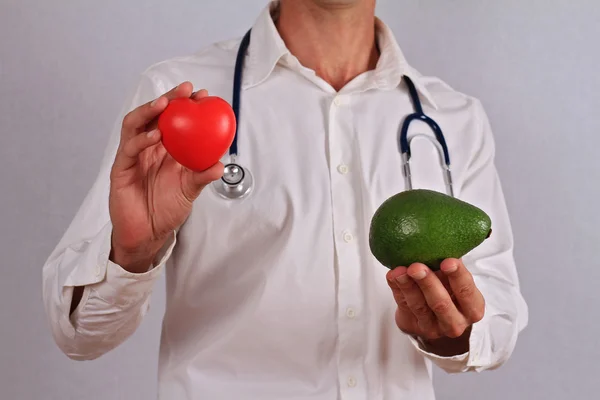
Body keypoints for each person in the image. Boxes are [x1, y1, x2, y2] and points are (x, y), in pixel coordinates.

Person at [42, 0, 528, 398]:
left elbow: (499, 320)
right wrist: (133, 254)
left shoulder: (455, 117)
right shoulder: (174, 102)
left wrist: (450, 332)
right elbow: (80, 335)